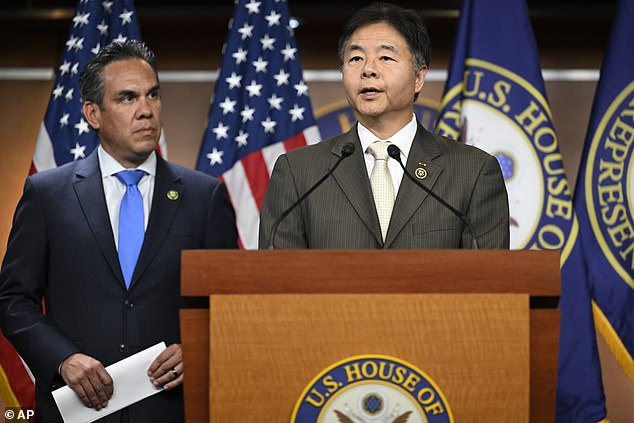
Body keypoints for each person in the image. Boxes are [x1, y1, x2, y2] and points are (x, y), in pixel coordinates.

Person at [0, 40, 238, 422]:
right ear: (93, 114)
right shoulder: (47, 195)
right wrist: (62, 360)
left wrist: (197, 348)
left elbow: (231, 304)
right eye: (127, 98)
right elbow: (13, 299)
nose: (146, 110)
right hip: (78, 409)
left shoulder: (204, 196)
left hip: (172, 410)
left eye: (153, 95)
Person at [259, 2, 509, 249]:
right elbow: (277, 281)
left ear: (419, 77)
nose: (368, 69)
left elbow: (491, 282)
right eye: (355, 58)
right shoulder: (298, 173)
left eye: (386, 57)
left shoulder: (473, 172)